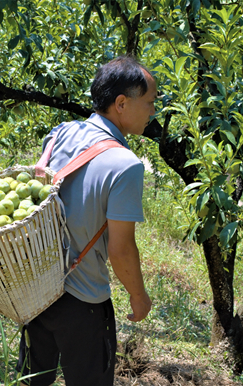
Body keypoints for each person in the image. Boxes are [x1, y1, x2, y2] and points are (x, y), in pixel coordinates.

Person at [17, 55, 156, 386]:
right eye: (150, 102)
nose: (153, 111)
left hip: (37, 291)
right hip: (83, 304)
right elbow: (120, 250)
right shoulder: (125, 165)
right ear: (121, 103)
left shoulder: (60, 134)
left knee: (31, 381)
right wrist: (139, 296)